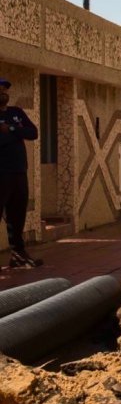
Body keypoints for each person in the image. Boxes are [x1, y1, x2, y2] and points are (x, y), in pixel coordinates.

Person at [0, 78, 42, 268]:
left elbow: (33, 133)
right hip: (1, 173)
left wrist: (11, 129)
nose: (3, 93)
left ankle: (18, 254)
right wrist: (16, 133)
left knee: (17, 214)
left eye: (5, 90)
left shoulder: (16, 113)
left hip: (19, 171)